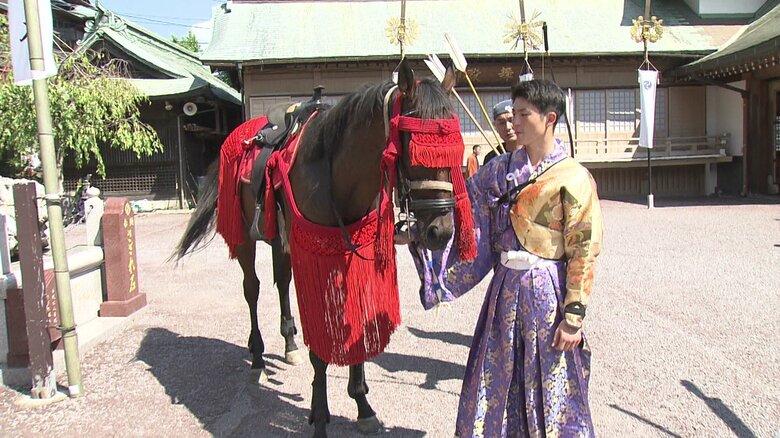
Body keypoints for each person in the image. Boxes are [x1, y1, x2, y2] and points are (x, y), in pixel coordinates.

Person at [410, 79, 603, 437]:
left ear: (549, 118)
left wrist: (573, 316)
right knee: (494, 375)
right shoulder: (498, 170)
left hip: (548, 295)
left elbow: (584, 249)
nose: (513, 121)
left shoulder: (572, 177)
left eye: (523, 114)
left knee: (551, 382)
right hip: (505, 290)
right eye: (512, 113)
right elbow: (466, 215)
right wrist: (423, 229)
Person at [483, 99, 520, 165]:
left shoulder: (533, 153)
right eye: (502, 123)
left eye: (511, 120)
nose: (507, 127)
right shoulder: (492, 158)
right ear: (495, 127)